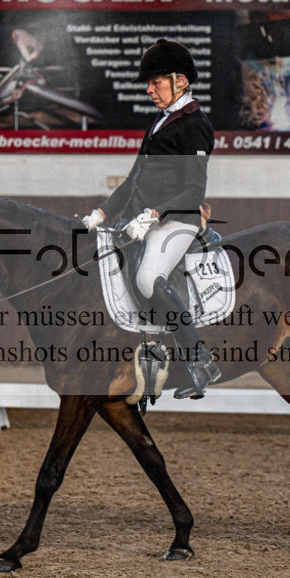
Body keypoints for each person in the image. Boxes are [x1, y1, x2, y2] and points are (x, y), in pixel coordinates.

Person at [81, 39, 220, 399]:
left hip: (178, 221)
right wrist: (100, 214)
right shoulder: (159, 123)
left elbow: (193, 190)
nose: (149, 89)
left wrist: (155, 215)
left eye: (156, 82)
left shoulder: (195, 125)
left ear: (181, 81)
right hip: (141, 219)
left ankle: (199, 359)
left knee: (147, 279)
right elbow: (132, 181)